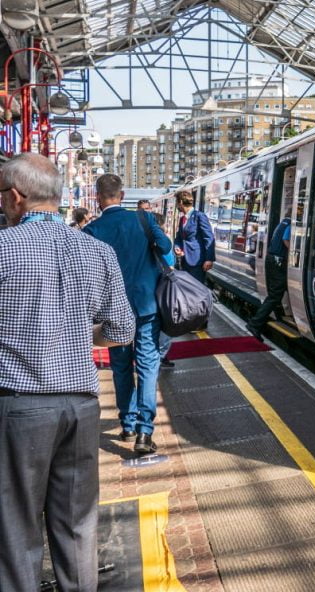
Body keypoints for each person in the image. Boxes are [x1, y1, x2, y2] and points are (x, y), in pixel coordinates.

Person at [0, 153, 135, 592]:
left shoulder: (3, 250)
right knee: (78, 526)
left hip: (19, 407)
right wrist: (76, 336)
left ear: (16, 198)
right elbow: (121, 328)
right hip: (81, 407)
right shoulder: (97, 251)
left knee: (16, 529)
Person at [85, 174, 174, 455]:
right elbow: (167, 248)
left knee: (121, 367)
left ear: (97, 199)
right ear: (122, 196)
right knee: (148, 365)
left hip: (113, 311)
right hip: (147, 305)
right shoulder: (143, 219)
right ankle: (145, 434)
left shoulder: (92, 230)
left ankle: (127, 424)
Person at [246, 215, 291, 341]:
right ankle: (254, 324)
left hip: (271, 259)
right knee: (275, 296)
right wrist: (294, 251)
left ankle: (258, 323)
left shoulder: (282, 223)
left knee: (276, 293)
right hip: (277, 261)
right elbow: (286, 239)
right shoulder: (290, 224)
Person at [152, 213, 178, 368]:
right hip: (163, 289)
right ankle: (160, 357)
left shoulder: (140, 240)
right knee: (165, 324)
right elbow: (171, 266)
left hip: (145, 289)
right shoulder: (164, 243)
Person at [173, 189, 215, 283]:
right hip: (185, 261)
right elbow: (179, 237)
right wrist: (177, 246)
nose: (176, 206)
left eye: (176, 203)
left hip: (197, 261)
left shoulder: (199, 216)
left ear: (180, 202)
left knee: (197, 289)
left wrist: (209, 259)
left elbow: (209, 238)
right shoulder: (182, 219)